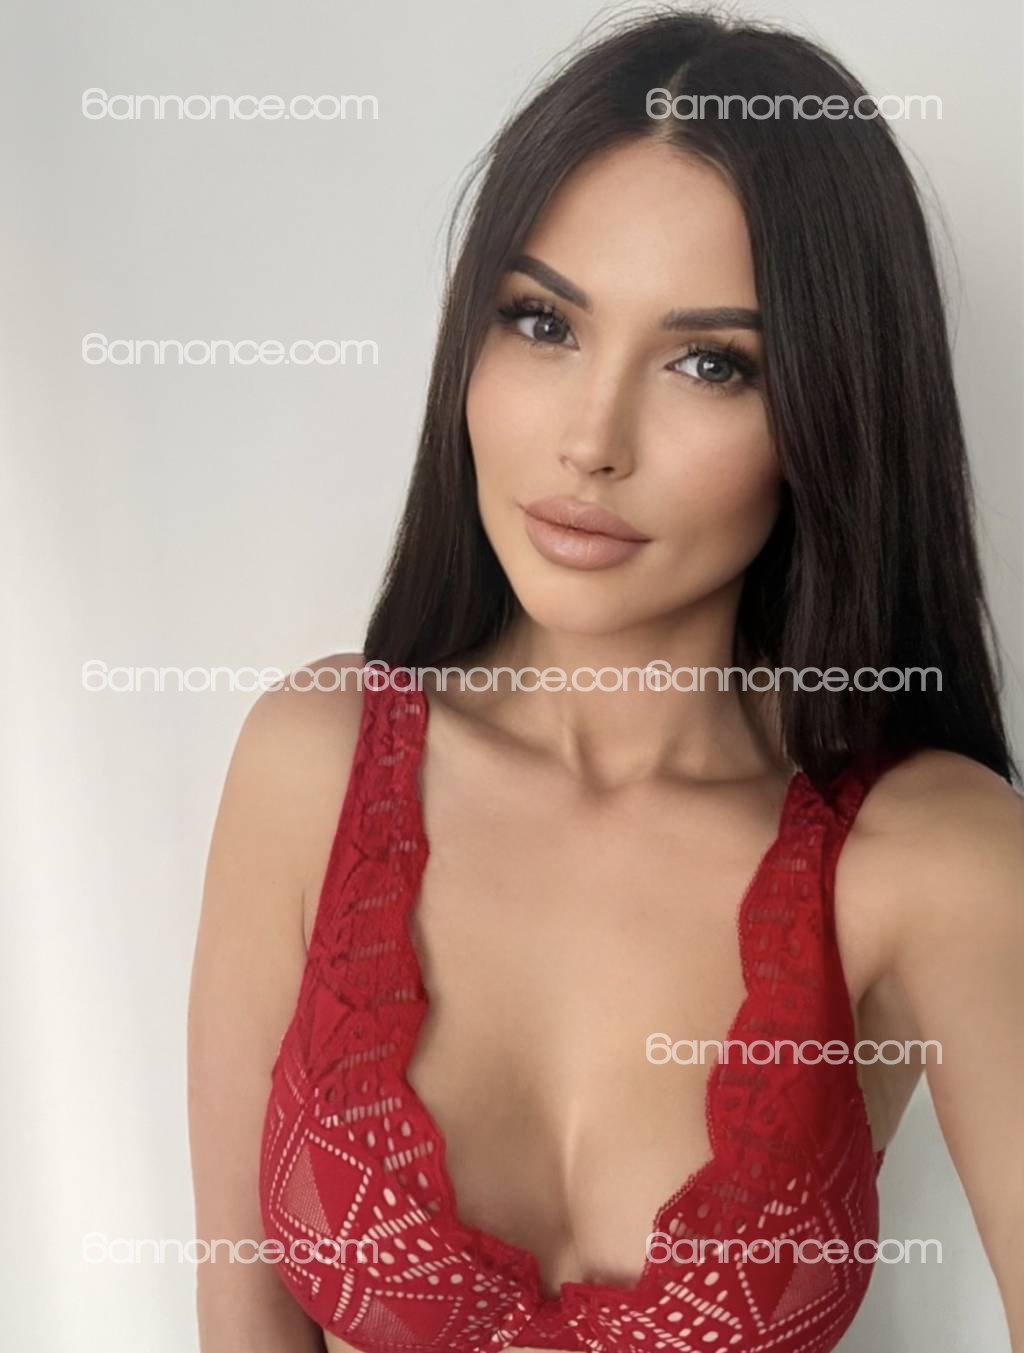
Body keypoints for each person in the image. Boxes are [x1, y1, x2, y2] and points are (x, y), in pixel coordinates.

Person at [188, 10, 1024, 1352]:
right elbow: (241, 1316)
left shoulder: (939, 861)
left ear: (831, 409)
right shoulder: (314, 760)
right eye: (543, 321)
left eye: (710, 363)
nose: (591, 440)